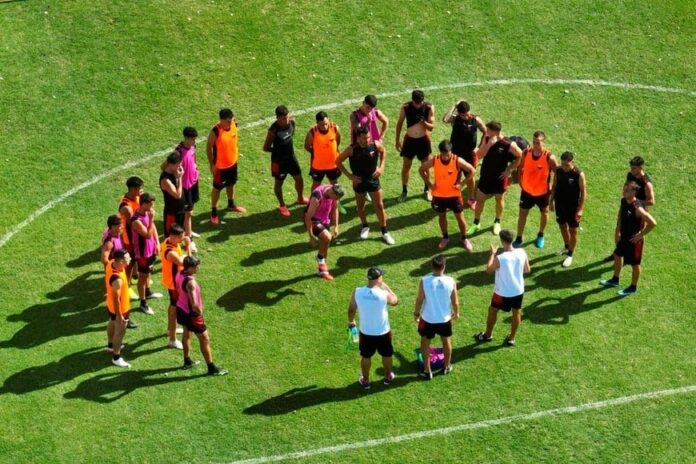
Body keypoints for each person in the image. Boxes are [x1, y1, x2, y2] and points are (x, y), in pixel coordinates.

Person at [337, 126, 395, 245]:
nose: (367, 140)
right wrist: (350, 176)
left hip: (373, 179)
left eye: (368, 137)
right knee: (360, 207)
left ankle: (385, 232)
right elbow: (338, 161)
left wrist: (381, 167)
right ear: (358, 138)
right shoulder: (351, 149)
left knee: (379, 206)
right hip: (359, 181)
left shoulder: (376, 144)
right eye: (364, 138)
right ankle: (365, 226)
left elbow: (383, 152)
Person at [474, 229, 530, 346]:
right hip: (518, 291)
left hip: (501, 293)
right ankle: (511, 338)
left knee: (492, 310)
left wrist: (492, 254)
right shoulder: (522, 252)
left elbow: (489, 270)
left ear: (503, 241)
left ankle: (487, 335)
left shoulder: (501, 258)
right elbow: (527, 270)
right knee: (516, 313)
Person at [600, 181, 657, 296]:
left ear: (634, 192)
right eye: (624, 189)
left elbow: (653, 223)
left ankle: (633, 287)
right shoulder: (624, 201)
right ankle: (615, 279)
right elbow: (621, 215)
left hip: (634, 241)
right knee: (617, 255)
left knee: (635, 264)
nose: (624, 192)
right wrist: (618, 230)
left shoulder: (637, 207)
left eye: (627, 190)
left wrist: (640, 235)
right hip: (624, 237)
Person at [467, 121, 523, 236]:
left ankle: (497, 222)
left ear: (496, 132)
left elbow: (520, 156)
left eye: (488, 130)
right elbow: (479, 155)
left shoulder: (508, 144)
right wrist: (488, 145)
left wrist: (509, 170)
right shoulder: (487, 138)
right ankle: (476, 223)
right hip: (486, 175)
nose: (486, 132)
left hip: (500, 178)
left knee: (499, 199)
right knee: (480, 199)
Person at [347, 267, 399, 389]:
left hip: (366, 332)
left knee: (366, 356)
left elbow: (351, 309)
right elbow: (395, 301)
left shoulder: (357, 291)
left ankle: (365, 380)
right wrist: (386, 286)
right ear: (379, 278)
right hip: (383, 332)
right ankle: (388, 376)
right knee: (387, 354)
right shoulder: (384, 294)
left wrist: (351, 321)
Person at [175, 256, 228, 376]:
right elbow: (194, 304)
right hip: (192, 314)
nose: (197, 268)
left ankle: (187, 361)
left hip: (181, 308)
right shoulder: (190, 283)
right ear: (189, 268)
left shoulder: (179, 273)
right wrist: (200, 313)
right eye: (195, 267)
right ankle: (211, 368)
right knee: (204, 338)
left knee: (186, 332)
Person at [419, 140, 475, 251]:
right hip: (439, 196)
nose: (445, 157)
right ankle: (445, 238)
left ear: (451, 151)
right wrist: (429, 184)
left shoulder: (457, 160)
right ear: (440, 152)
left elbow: (472, 170)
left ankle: (464, 238)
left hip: (454, 196)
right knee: (442, 216)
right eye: (443, 154)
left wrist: (462, 184)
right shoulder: (435, 160)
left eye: (447, 154)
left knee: (460, 218)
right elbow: (421, 170)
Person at [414, 255, 459, 379]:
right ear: (444, 266)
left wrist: (416, 313)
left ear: (432, 266)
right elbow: (455, 301)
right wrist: (456, 313)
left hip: (427, 319)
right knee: (446, 341)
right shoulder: (451, 281)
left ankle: (427, 371)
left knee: (425, 342)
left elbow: (419, 300)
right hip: (445, 319)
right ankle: (446, 366)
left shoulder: (424, 280)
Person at [603, 156, 655, 262]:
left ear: (641, 167)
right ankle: (618, 252)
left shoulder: (646, 183)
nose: (631, 170)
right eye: (631, 167)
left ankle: (633, 257)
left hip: (638, 212)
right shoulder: (630, 175)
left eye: (634, 168)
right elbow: (626, 187)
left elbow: (651, 201)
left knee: (635, 235)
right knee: (619, 229)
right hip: (626, 206)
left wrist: (636, 202)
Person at [513, 131, 558, 249]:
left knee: (544, 213)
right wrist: (520, 180)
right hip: (526, 191)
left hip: (542, 193)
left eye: (538, 142)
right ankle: (519, 238)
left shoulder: (549, 157)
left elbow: (557, 174)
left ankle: (541, 235)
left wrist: (553, 188)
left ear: (543, 142)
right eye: (534, 142)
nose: (535, 145)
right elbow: (521, 166)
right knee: (522, 214)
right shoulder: (526, 152)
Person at [262, 105, 307, 217]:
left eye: (287, 117)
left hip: (291, 158)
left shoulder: (292, 123)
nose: (286, 120)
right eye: (283, 118)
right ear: (277, 118)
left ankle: (300, 198)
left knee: (299, 178)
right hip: (279, 162)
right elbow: (266, 148)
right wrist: (278, 151)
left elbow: (291, 135)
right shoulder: (273, 130)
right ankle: (282, 205)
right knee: (279, 183)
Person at [442, 100, 486, 207]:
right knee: (453, 177)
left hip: (469, 154)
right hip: (455, 154)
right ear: (458, 113)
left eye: (466, 114)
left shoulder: (476, 120)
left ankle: (471, 198)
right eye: (462, 115)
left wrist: (479, 147)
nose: (465, 117)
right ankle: (453, 198)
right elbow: (445, 119)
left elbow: (485, 132)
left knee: (470, 176)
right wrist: (455, 105)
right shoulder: (455, 118)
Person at [206, 108, 246, 225]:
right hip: (220, 167)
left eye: (231, 119)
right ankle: (214, 212)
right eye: (228, 121)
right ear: (221, 120)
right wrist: (212, 164)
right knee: (217, 188)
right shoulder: (215, 131)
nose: (230, 122)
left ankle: (231, 204)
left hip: (232, 162)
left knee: (231, 183)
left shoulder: (233, 123)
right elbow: (208, 148)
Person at [395, 90, 435, 202]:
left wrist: (424, 123)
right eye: (416, 103)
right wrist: (397, 140)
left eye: (420, 102)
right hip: (409, 141)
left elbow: (432, 127)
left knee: (425, 167)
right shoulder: (405, 107)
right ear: (412, 100)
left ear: (423, 100)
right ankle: (404, 191)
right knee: (406, 166)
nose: (418, 105)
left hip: (423, 141)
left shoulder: (429, 107)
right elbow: (400, 123)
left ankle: (427, 190)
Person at [549, 151, 587, 267]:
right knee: (562, 225)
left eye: (567, 165)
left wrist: (580, 209)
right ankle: (566, 247)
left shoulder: (578, 174)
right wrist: (551, 201)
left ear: (572, 162)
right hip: (560, 204)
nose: (564, 167)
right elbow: (554, 186)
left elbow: (583, 192)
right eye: (563, 164)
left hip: (573, 207)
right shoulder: (558, 171)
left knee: (572, 230)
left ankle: (570, 254)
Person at [304, 111, 345, 214]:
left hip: (333, 164)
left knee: (335, 184)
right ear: (317, 123)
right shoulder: (312, 132)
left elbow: (338, 141)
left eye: (326, 123)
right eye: (322, 125)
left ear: (328, 120)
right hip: (318, 166)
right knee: (316, 185)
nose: (325, 126)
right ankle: (312, 203)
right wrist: (317, 153)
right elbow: (307, 146)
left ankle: (337, 204)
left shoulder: (335, 128)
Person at [304, 184, 345, 280]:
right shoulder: (317, 196)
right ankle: (320, 259)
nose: (336, 200)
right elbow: (308, 217)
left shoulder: (334, 192)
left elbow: (335, 208)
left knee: (325, 245)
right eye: (335, 198)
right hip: (313, 219)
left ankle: (322, 271)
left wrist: (336, 226)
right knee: (327, 237)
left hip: (324, 219)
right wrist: (311, 236)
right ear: (332, 192)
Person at [130, 192, 162, 315]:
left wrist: (157, 243)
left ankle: (148, 292)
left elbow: (153, 228)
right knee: (143, 277)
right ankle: (143, 303)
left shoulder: (147, 212)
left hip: (151, 250)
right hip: (143, 253)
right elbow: (147, 234)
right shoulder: (136, 220)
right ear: (144, 204)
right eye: (151, 204)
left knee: (148, 273)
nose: (153, 206)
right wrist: (152, 219)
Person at [161, 223, 191, 350]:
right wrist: (188, 246)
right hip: (174, 283)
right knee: (174, 309)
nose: (182, 239)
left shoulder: (168, 241)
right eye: (180, 237)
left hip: (171, 280)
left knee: (172, 305)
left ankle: (170, 330)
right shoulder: (171, 252)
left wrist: (184, 240)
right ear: (173, 237)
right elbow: (188, 263)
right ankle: (172, 340)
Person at [118, 176, 143, 328]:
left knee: (133, 264)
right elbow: (133, 224)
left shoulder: (135, 198)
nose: (141, 191)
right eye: (140, 188)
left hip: (133, 238)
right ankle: (125, 289)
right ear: (133, 189)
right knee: (129, 265)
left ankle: (132, 278)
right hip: (129, 240)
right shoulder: (126, 207)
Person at [105, 249, 132, 368]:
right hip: (120, 308)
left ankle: (111, 346)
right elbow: (117, 300)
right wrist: (120, 315)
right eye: (128, 258)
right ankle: (116, 357)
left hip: (110, 305)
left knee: (111, 321)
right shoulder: (117, 280)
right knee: (120, 332)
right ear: (121, 261)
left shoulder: (111, 263)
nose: (130, 259)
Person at [175, 126, 201, 241]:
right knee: (188, 212)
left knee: (190, 209)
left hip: (193, 182)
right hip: (185, 185)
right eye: (193, 139)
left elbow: (194, 158)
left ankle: (188, 230)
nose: (194, 142)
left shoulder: (193, 146)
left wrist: (195, 169)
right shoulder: (178, 151)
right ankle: (189, 237)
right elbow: (172, 167)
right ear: (186, 138)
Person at [159, 151, 186, 235]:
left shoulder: (174, 172)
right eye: (178, 165)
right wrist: (180, 178)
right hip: (172, 213)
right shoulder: (166, 180)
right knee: (171, 236)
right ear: (170, 165)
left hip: (180, 210)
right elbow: (178, 195)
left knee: (179, 234)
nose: (180, 167)